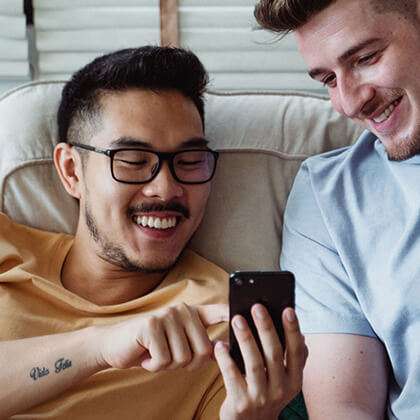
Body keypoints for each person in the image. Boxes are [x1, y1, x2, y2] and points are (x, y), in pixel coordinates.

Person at [0, 46, 307, 419]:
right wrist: (100, 346)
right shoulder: (8, 246)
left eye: (189, 162)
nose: (166, 189)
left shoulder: (220, 321)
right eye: (132, 160)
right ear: (71, 171)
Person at [254, 0, 420, 418]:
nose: (348, 103)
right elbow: (345, 408)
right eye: (328, 79)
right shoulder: (330, 198)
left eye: (366, 59)